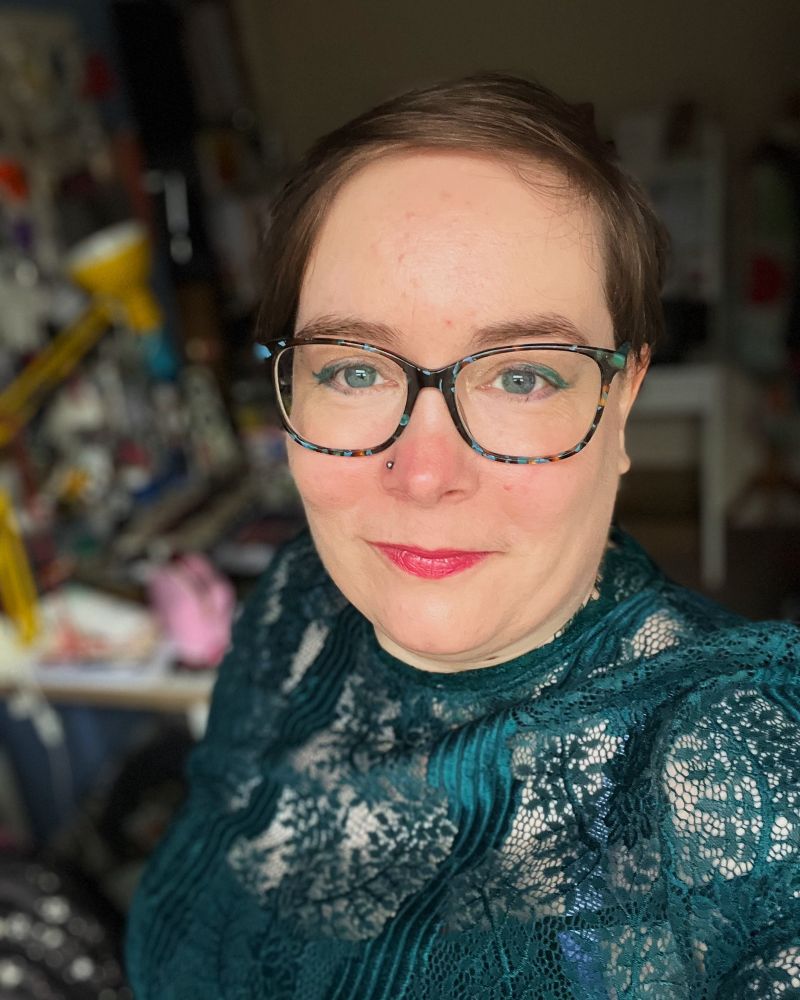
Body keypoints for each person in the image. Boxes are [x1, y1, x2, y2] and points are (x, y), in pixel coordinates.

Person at [126, 73, 800, 999]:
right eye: (355, 369)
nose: (426, 473)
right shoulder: (296, 606)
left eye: (523, 376)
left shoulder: (747, 755)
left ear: (624, 398)